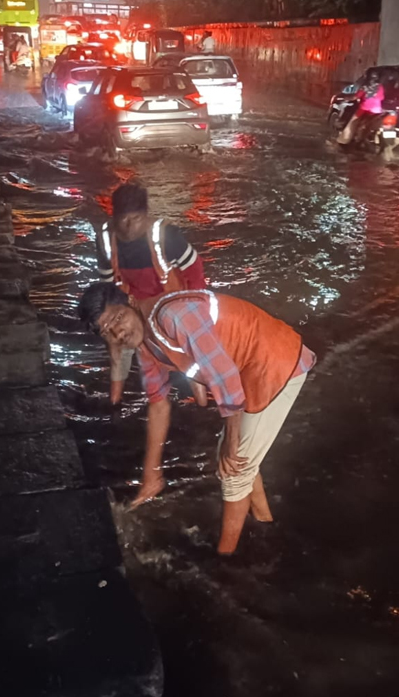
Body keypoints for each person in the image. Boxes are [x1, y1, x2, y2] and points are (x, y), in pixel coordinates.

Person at [78, 282, 315, 555]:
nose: (118, 332)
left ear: (131, 301)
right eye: (107, 330)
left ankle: (225, 558)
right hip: (248, 370)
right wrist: (152, 473)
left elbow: (224, 377)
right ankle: (265, 522)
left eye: (118, 318)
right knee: (237, 460)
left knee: (234, 470)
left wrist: (231, 441)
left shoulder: (174, 316)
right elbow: (158, 404)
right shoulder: (145, 344)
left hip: (275, 363)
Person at [96, 183, 206, 404]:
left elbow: (194, 270)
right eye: (122, 219)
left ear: (146, 215)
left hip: (171, 301)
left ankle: (201, 395)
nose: (128, 227)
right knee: (116, 341)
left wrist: (198, 311)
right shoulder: (105, 239)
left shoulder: (167, 235)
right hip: (133, 303)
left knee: (188, 349)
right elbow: (108, 284)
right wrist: (113, 319)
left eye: (135, 219)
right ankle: (115, 400)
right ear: (113, 216)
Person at [339, 70, 385, 145]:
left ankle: (344, 139)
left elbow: (355, 97)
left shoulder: (365, 86)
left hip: (364, 109)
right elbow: (382, 98)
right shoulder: (380, 87)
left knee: (352, 122)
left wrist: (346, 98)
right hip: (377, 111)